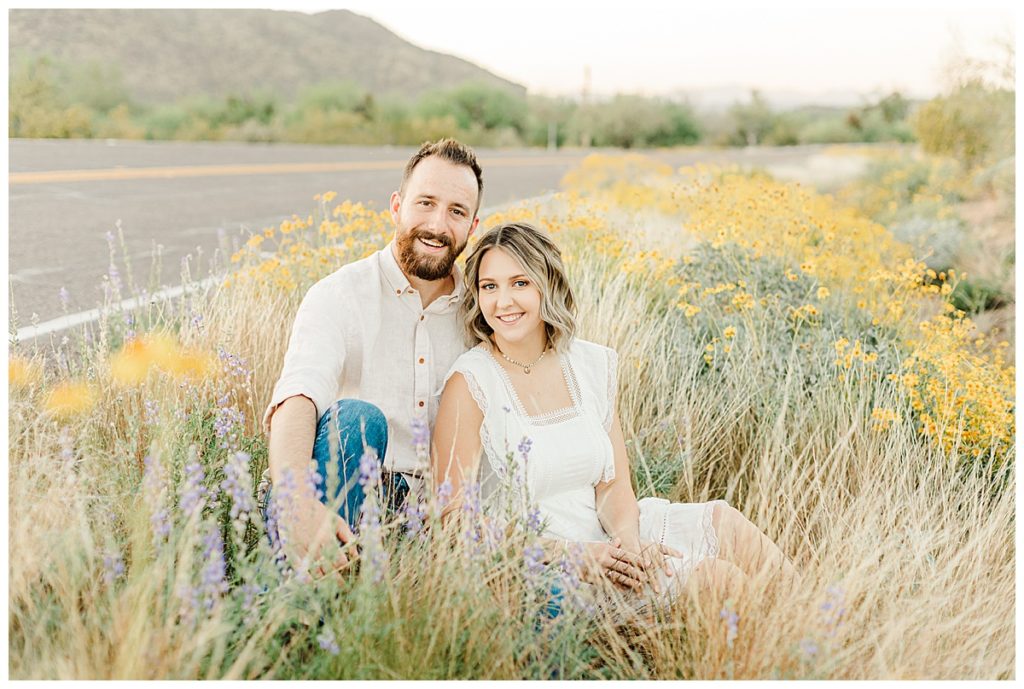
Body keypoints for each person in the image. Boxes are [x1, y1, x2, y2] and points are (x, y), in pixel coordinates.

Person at [431, 222, 799, 608]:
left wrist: (632, 544)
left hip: (612, 537)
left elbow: (614, 487)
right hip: (546, 563)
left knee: (727, 525)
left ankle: (825, 632)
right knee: (717, 580)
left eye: (520, 283)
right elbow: (454, 520)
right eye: (489, 286)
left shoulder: (590, 364)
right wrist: (575, 554)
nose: (503, 301)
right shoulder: (470, 382)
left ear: (548, 284)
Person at [260, 138, 483, 577]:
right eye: (426, 203)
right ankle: (299, 609)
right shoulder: (339, 294)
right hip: (342, 495)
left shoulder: (483, 313)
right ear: (396, 206)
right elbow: (299, 396)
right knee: (359, 419)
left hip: (434, 519)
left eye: (456, 211)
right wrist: (296, 499)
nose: (438, 224)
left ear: (472, 226)